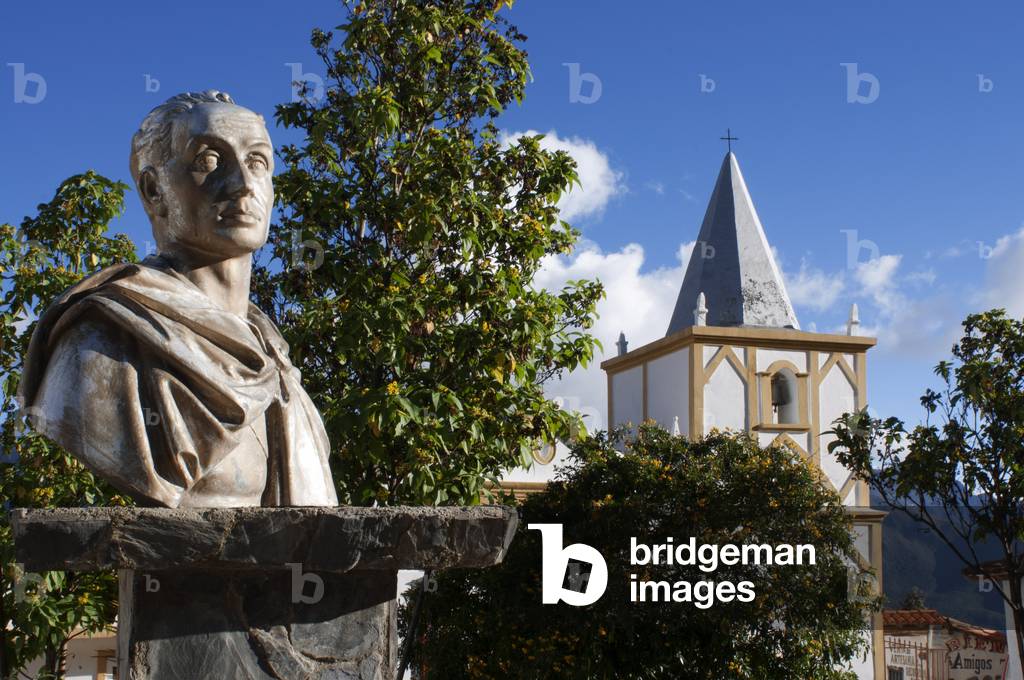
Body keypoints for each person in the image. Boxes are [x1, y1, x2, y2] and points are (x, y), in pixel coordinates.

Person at [18, 91, 337, 508]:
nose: (243, 184)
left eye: (257, 161)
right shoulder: (100, 340)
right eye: (208, 161)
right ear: (154, 191)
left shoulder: (279, 366)